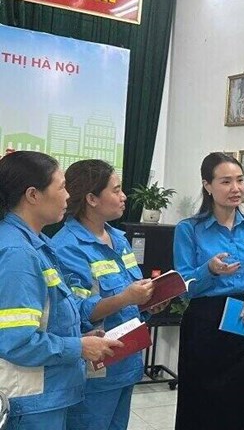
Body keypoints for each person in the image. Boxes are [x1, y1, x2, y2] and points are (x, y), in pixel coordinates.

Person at [0, 152, 121, 430]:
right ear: (33, 195)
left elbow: (44, 316)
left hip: (46, 394)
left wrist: (79, 336)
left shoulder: (37, 244)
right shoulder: (17, 253)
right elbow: (15, 340)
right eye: (62, 187)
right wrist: (78, 346)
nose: (68, 196)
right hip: (28, 401)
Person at [51, 160, 168, 430]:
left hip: (127, 362)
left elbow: (132, 297)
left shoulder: (119, 238)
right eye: (116, 190)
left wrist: (150, 302)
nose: (123, 196)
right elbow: (77, 312)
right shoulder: (68, 247)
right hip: (96, 369)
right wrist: (126, 298)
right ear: (92, 198)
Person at [173, 152, 244, 430]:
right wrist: (209, 270)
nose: (236, 188)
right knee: (203, 405)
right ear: (207, 185)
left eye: (240, 180)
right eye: (226, 181)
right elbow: (183, 286)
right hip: (205, 325)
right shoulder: (189, 229)